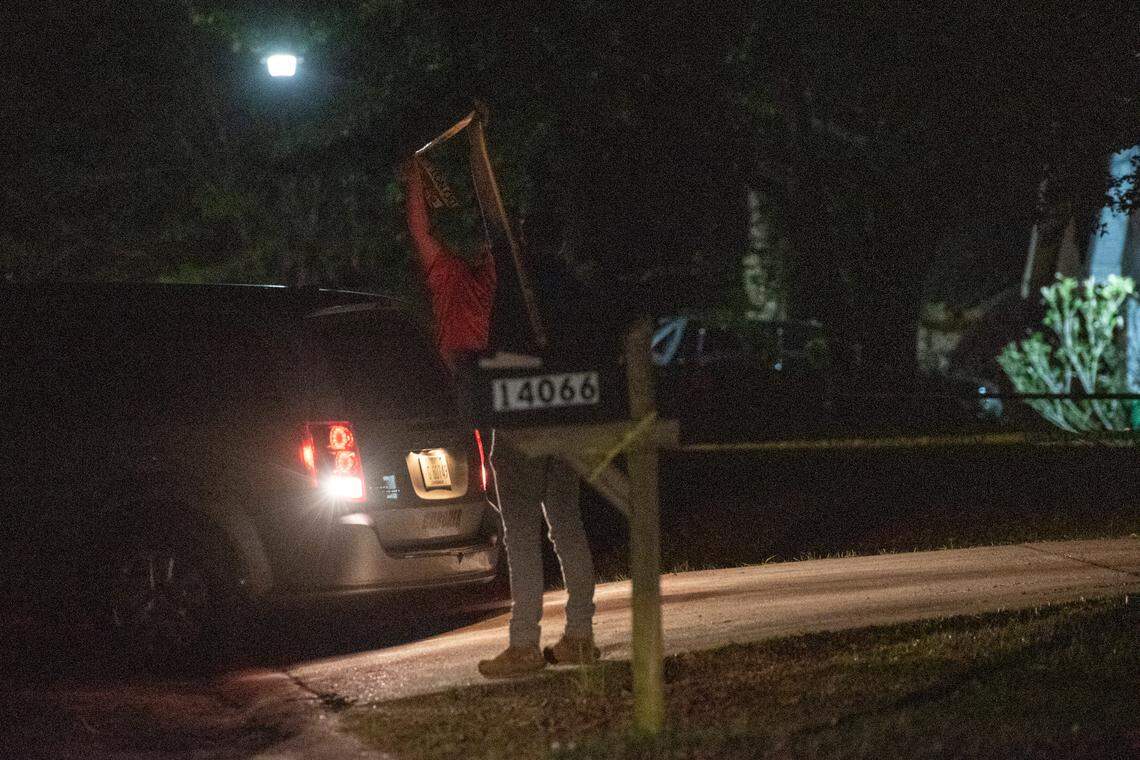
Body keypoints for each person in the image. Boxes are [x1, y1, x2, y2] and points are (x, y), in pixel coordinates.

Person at [402, 156, 599, 678]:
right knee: (567, 524)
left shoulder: (454, 278)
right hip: (559, 405)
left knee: (522, 529)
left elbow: (423, 230)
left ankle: (525, 643)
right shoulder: (511, 278)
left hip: (508, 408)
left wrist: (418, 180)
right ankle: (580, 634)